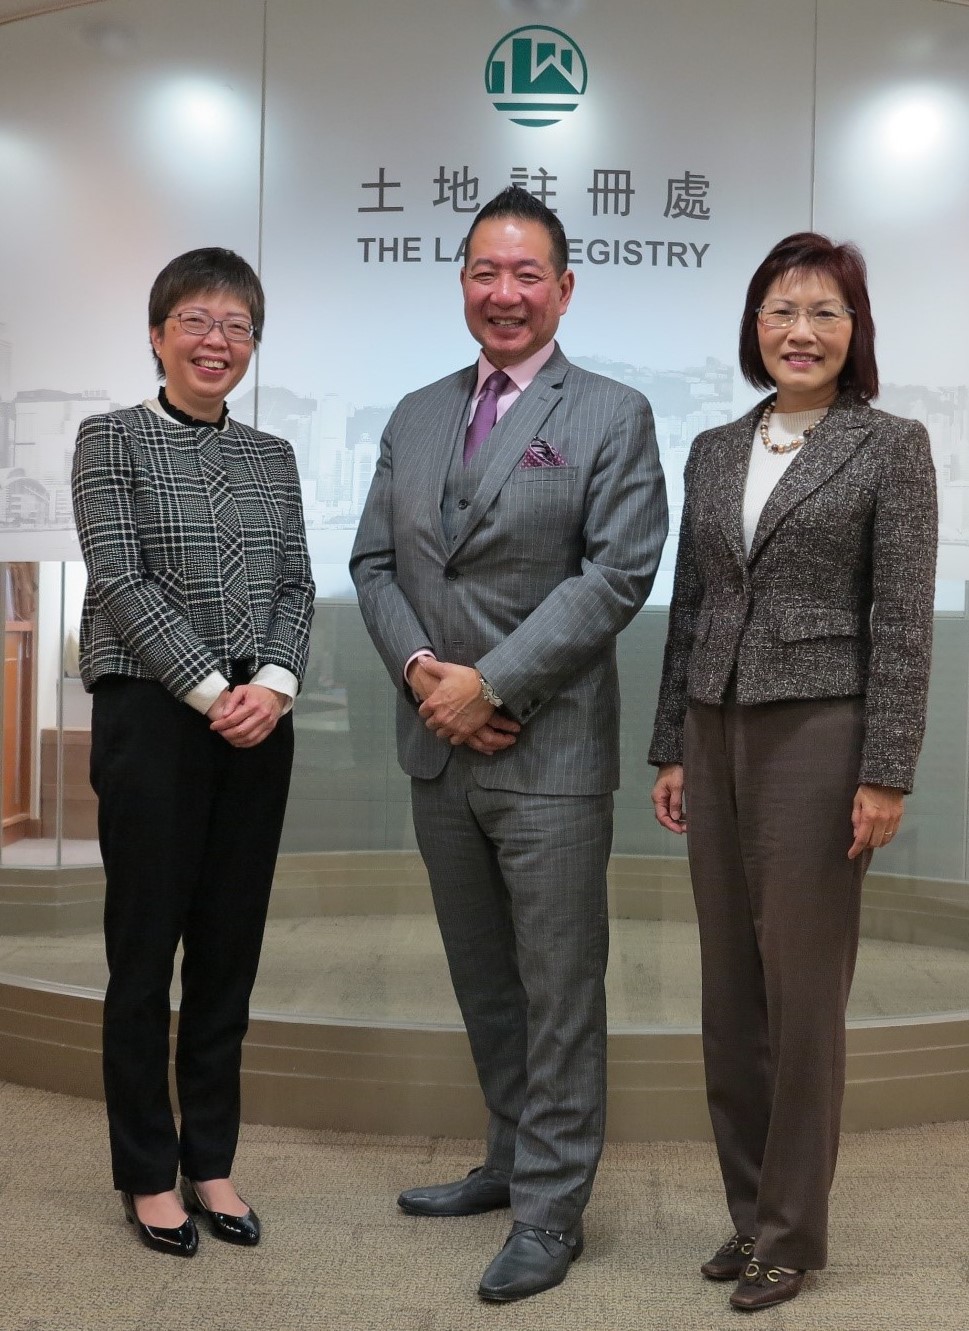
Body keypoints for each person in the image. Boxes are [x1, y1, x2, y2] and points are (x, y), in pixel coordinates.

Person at [350, 186, 667, 1303]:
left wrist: (495, 680)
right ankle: (508, 1157)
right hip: (439, 746)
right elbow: (374, 567)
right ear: (462, 283)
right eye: (487, 271)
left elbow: (617, 573)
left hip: (550, 757)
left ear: (566, 288)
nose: (506, 292)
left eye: (528, 273)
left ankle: (551, 1210)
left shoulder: (613, 413)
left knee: (559, 986)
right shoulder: (417, 408)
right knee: (487, 981)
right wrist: (427, 677)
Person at [649, 232, 937, 1311]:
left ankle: (795, 1232)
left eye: (823, 311)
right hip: (715, 725)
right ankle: (749, 1214)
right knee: (731, 992)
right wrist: (673, 739)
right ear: (753, 326)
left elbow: (902, 621)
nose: (799, 330)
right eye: (780, 310)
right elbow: (691, 605)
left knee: (803, 994)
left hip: (822, 732)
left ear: (854, 330)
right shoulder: (718, 447)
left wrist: (885, 768)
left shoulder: (890, 445)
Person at [71, 248, 315, 1257]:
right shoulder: (109, 438)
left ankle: (209, 1156)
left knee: (228, 953)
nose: (217, 342)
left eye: (237, 327)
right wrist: (216, 691)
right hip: (155, 720)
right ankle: (145, 1170)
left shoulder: (272, 455)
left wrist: (277, 687)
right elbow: (120, 580)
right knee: (144, 954)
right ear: (158, 330)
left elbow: (296, 583)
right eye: (197, 321)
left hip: (260, 722)